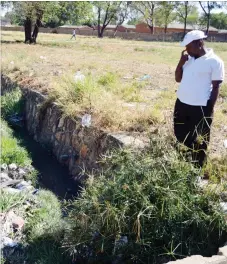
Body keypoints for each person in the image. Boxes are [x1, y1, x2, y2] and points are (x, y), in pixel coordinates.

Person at [174, 30, 224, 170]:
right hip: (181, 103)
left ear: (199, 43)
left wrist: (209, 109)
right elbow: (178, 79)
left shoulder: (215, 62)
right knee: (180, 134)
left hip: (200, 107)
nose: (186, 50)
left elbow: (216, 87)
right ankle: (185, 162)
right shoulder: (188, 59)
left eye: (188, 46)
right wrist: (181, 62)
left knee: (200, 141)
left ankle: (197, 170)